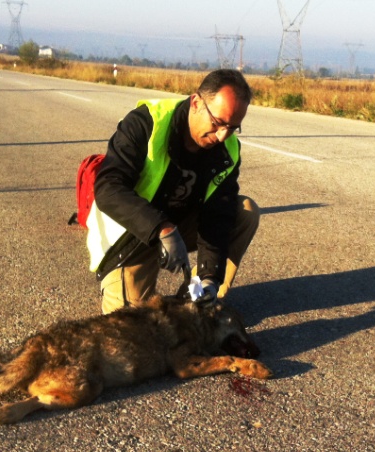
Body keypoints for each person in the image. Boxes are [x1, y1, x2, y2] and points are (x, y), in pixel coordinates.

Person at [85, 69, 259, 314]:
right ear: (196, 102)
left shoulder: (227, 149)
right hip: (132, 235)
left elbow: (218, 215)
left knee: (245, 211)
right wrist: (161, 228)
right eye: (218, 123)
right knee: (132, 328)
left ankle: (198, 299)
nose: (222, 136)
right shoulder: (146, 123)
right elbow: (108, 188)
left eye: (233, 127)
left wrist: (210, 275)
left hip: (180, 227)